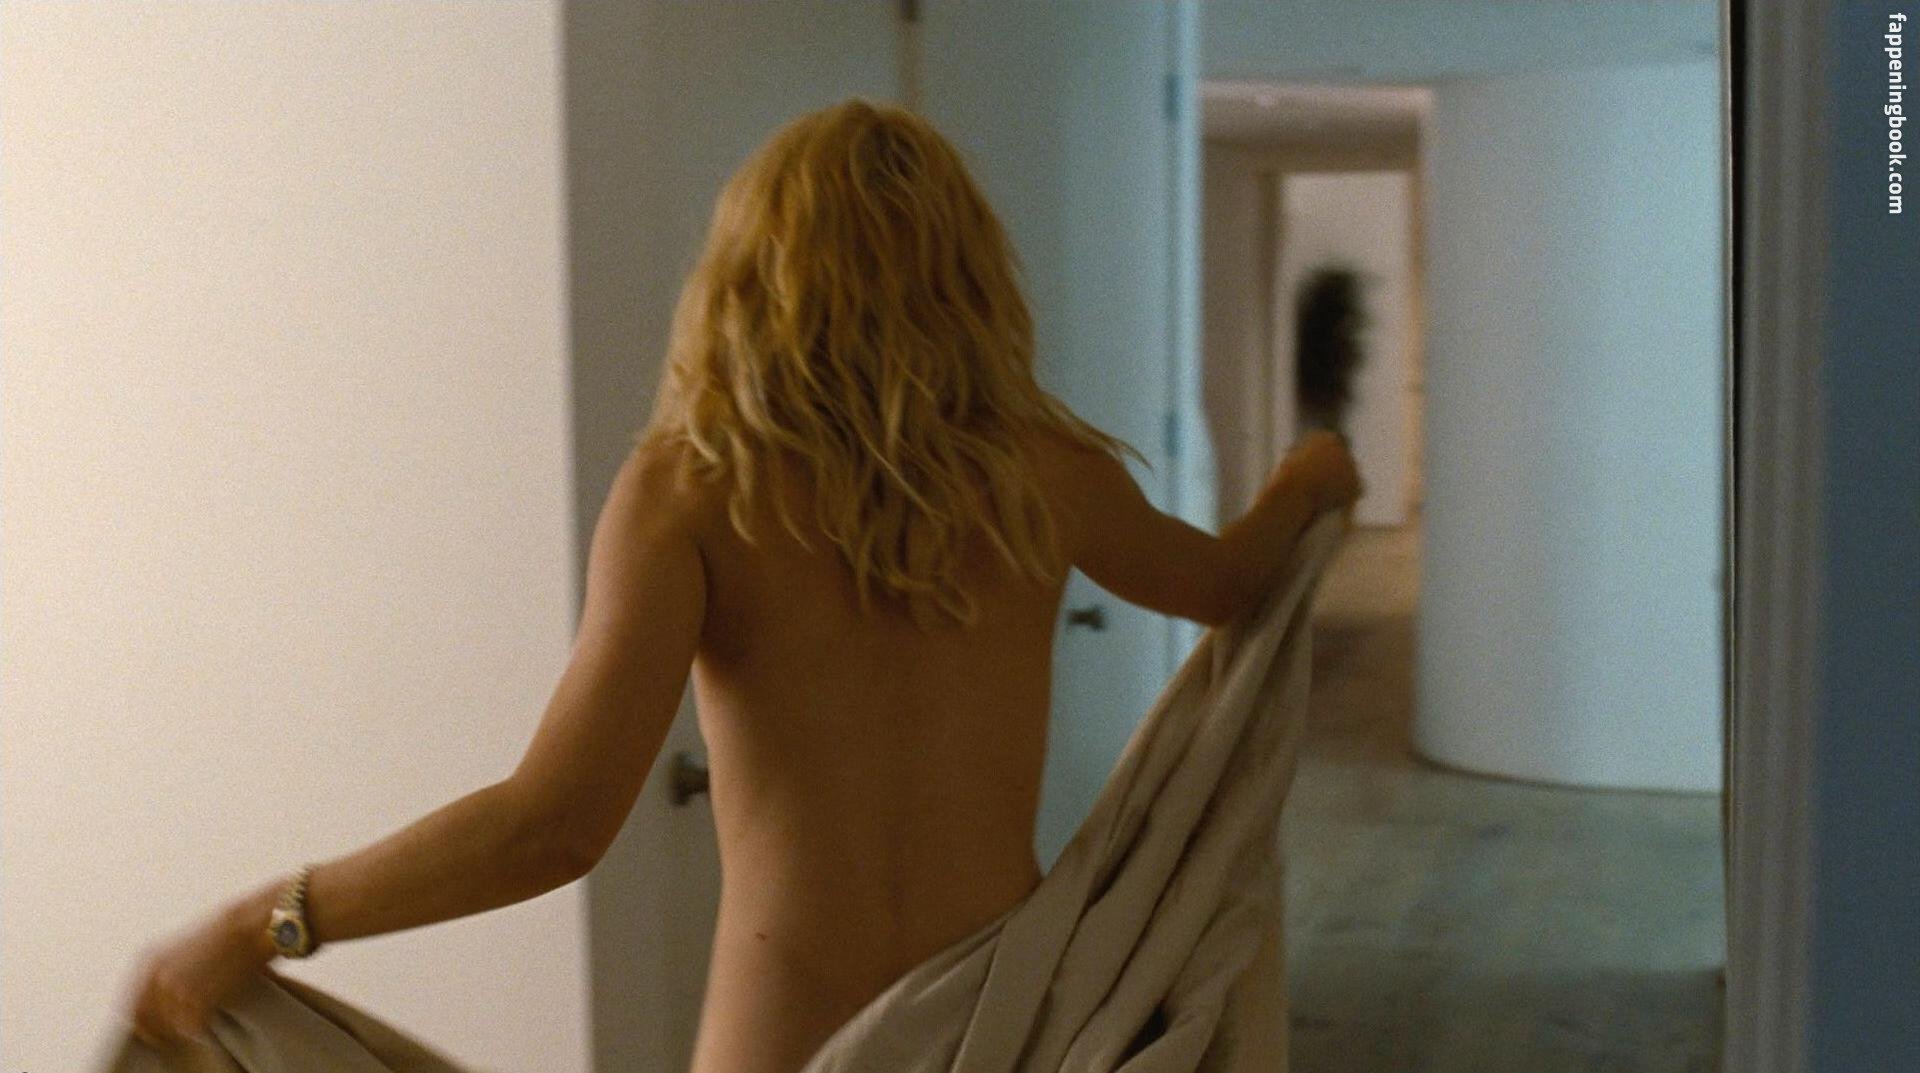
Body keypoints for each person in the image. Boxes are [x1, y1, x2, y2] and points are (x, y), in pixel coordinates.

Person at [122, 98, 1362, 1073]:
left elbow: (552, 825)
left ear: (749, 274)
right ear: (971, 277)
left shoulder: (692, 492)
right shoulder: (1050, 473)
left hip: (785, 1026)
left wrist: (269, 917)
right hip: (1011, 1020)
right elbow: (1229, 584)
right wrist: (1305, 474)